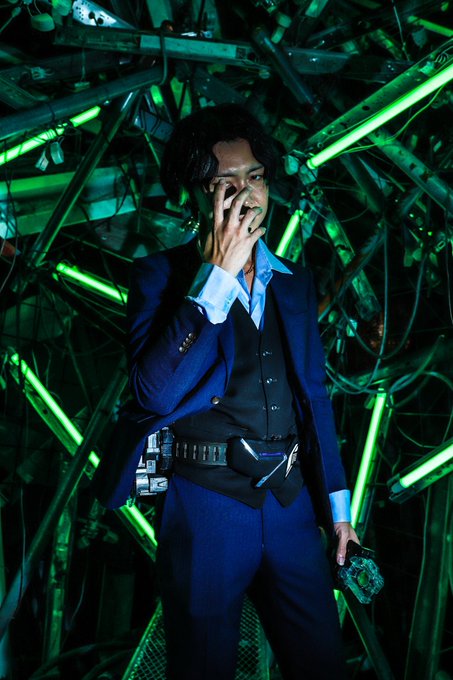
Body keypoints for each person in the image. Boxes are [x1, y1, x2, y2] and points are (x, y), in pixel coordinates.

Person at [94, 104, 359, 679]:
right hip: (205, 505)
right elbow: (153, 394)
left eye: (255, 177)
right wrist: (214, 279)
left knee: (323, 664)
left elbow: (314, 400)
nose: (247, 194)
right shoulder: (158, 277)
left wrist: (339, 512)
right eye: (226, 183)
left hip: (290, 503)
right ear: (196, 195)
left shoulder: (293, 282)